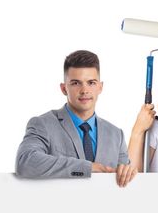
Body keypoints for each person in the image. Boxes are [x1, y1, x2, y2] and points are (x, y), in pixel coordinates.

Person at [15, 50, 136, 187]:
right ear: (63, 88)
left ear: (100, 87)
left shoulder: (116, 134)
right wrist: (87, 168)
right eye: (76, 83)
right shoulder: (43, 124)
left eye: (91, 82)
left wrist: (128, 171)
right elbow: (25, 161)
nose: (84, 90)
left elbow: (126, 180)